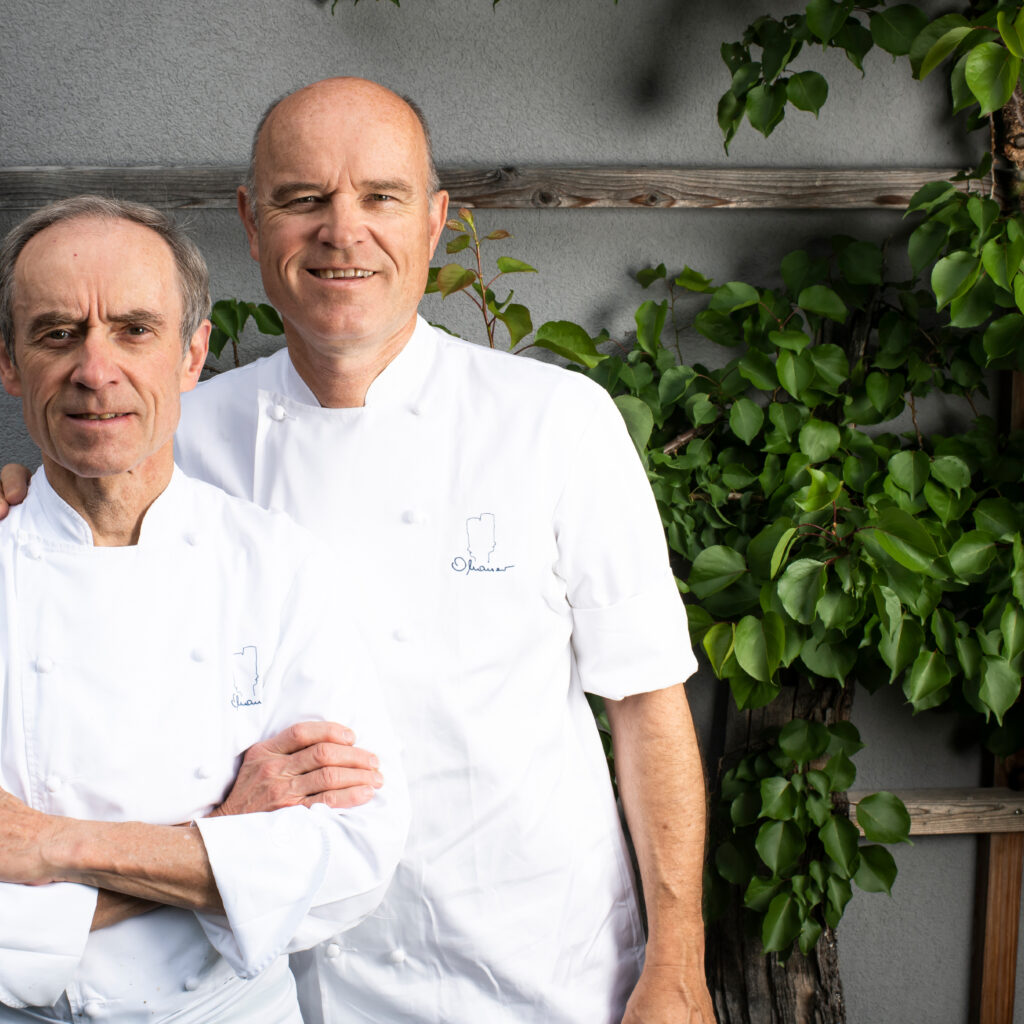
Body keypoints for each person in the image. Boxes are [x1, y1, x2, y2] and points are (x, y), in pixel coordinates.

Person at [1, 77, 715, 1023]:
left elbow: (649, 706)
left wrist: (676, 961)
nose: (344, 231)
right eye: (304, 200)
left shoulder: (556, 422)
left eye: (380, 197)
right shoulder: (178, 430)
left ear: (436, 221)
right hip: (297, 978)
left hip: (544, 965)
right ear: (253, 225)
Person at [0, 195, 409, 1023]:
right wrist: (227, 846)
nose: (95, 370)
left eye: (134, 330)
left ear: (193, 354)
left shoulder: (277, 566)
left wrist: (53, 847)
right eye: (56, 333)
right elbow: (287, 877)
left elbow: (355, 854)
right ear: (8, 363)